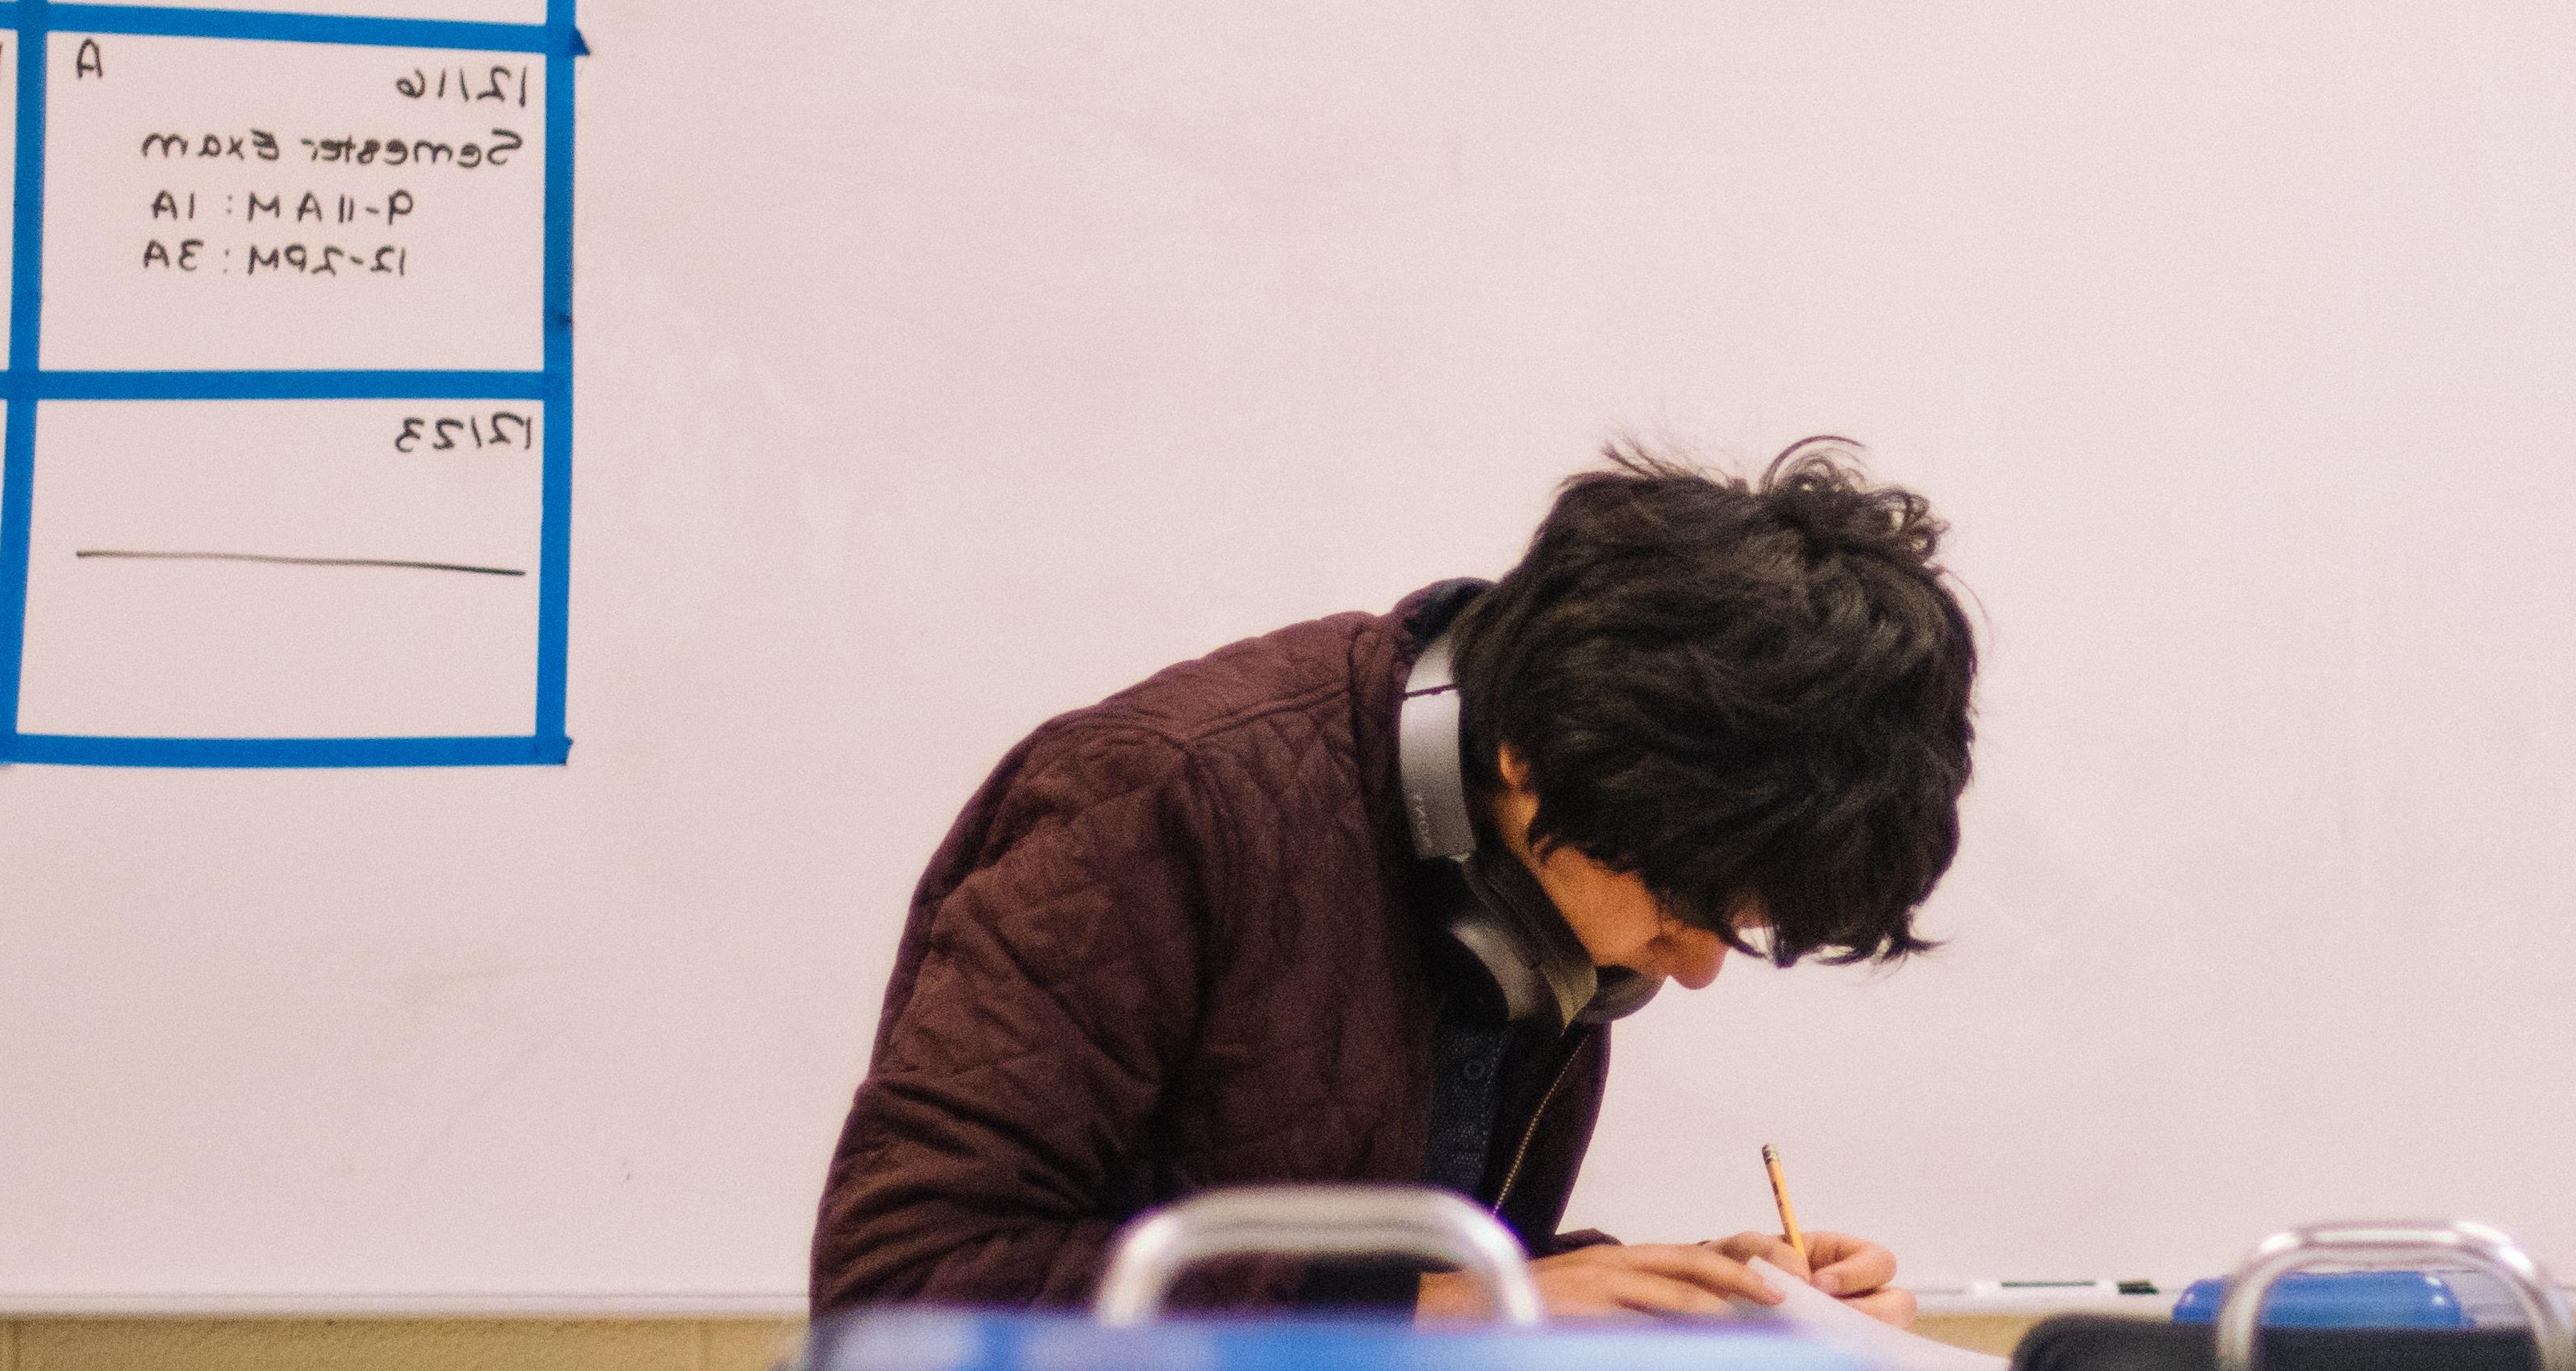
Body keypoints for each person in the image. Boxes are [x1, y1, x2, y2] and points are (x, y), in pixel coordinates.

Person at [810, 442, 1979, 1321]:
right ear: (1530, 761)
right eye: (1684, 911)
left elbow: (1390, 1260)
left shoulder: (1528, 873)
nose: (1697, 969)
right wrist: (1446, 1313)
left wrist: (1683, 1306)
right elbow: (902, 1283)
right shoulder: (1157, 796)